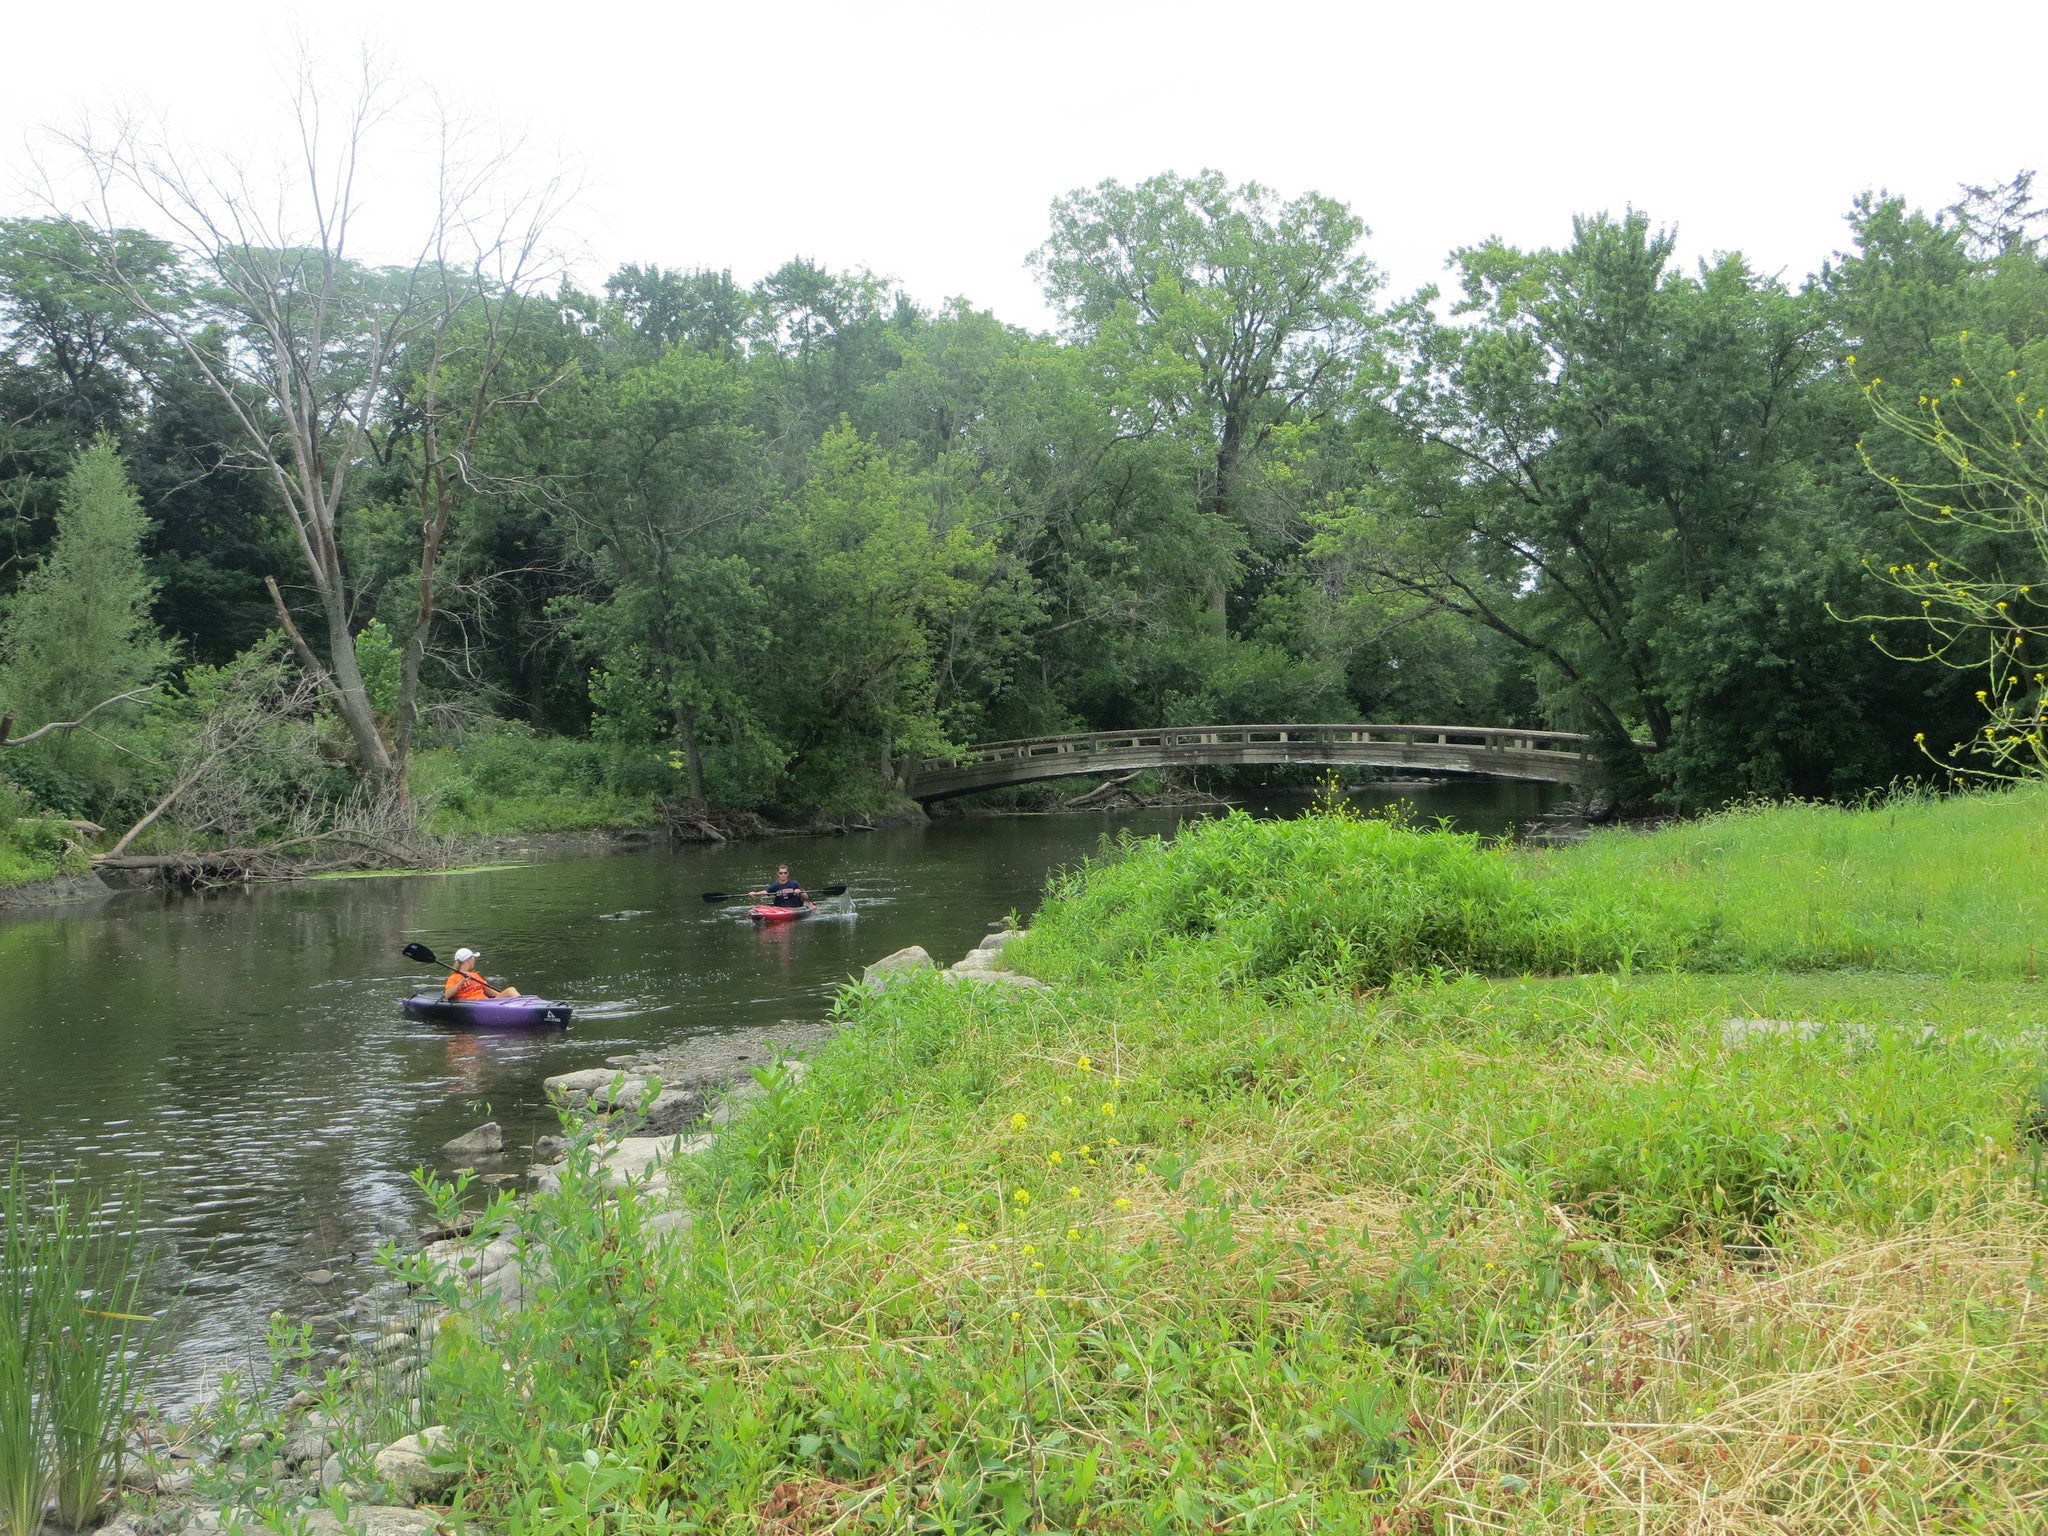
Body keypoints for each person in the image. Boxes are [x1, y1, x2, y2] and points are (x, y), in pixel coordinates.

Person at [443, 947, 521, 1001]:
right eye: (473, 958)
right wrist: (462, 981)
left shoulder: (475, 975)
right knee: (511, 990)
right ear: (468, 960)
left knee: (510, 991)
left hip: (485, 1002)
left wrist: (504, 995)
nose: (474, 960)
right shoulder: (453, 977)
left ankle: (521, 1003)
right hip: (472, 1004)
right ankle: (522, 1006)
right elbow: (447, 995)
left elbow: (489, 991)